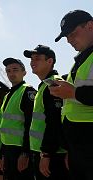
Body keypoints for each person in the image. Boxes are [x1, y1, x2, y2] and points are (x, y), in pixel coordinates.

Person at [51, 10, 93, 180]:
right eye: (66, 36)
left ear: (90, 26)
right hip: (79, 149)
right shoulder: (81, 59)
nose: (69, 40)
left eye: (72, 34)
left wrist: (73, 93)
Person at [24, 45, 69, 179]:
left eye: (37, 58)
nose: (32, 62)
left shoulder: (53, 85)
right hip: (43, 152)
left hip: (52, 154)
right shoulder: (44, 85)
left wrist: (47, 154)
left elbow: (54, 121)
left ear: (50, 61)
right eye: (31, 59)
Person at [0, 58, 37, 180]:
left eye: (15, 70)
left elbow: (30, 124)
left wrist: (25, 153)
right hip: (8, 149)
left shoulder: (28, 92)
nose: (11, 73)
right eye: (8, 71)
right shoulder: (8, 95)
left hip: (20, 150)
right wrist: (2, 154)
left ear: (24, 72)